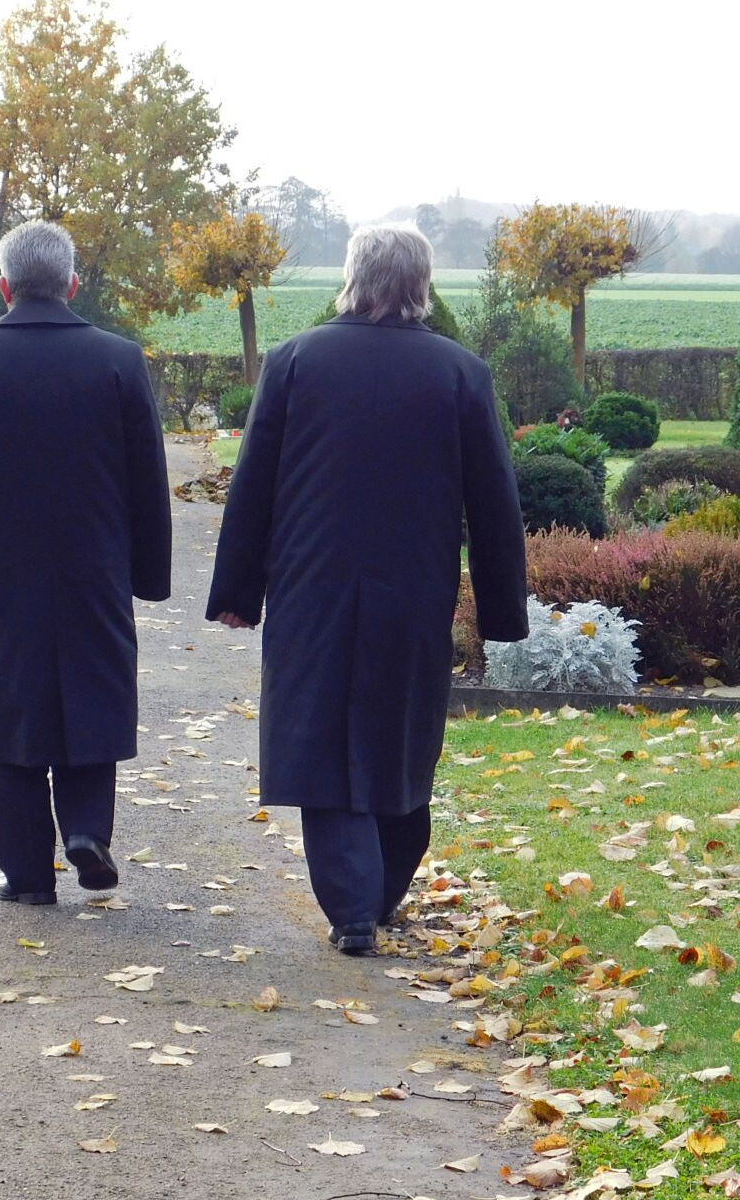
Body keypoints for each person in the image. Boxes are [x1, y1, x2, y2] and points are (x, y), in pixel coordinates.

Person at [205, 223, 528, 955]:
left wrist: (237, 590)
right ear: (423, 283)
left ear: (350, 277)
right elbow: (494, 503)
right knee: (404, 742)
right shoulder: (459, 373)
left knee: (320, 741)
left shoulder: (294, 362)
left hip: (310, 587)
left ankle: (353, 910)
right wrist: (502, 611)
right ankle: (376, 897)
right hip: (413, 591)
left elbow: (253, 487)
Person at [0, 219, 172, 906]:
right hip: (95, 567)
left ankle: (26, 873)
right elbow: (147, 477)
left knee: (5, 715)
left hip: (0, 572)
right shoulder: (119, 360)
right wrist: (149, 572)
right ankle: (86, 829)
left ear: (3, 285)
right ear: (72, 283)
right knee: (91, 694)